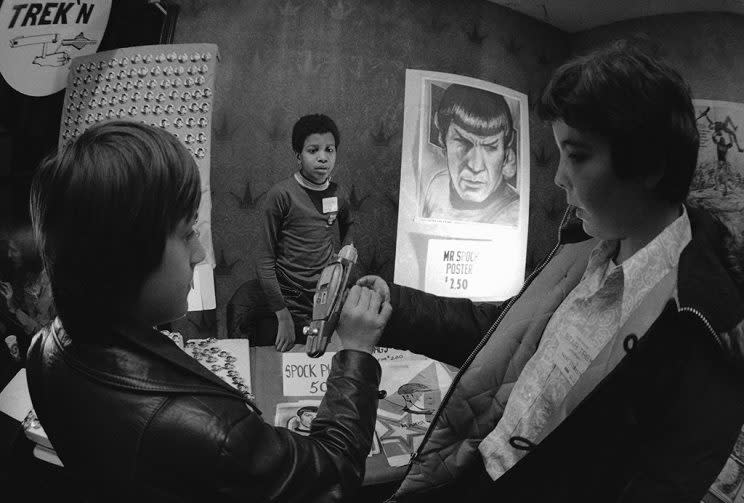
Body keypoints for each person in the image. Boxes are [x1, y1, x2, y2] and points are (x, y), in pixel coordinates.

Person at [361, 42, 744, 502]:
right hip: (478, 471)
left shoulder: (703, 329)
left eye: (577, 155)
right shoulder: (586, 246)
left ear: (650, 164)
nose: (559, 177)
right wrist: (395, 305)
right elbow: (501, 335)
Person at [25, 121, 391, 501]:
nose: (200, 254)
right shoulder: (216, 429)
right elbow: (333, 473)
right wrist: (357, 352)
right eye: (187, 234)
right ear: (127, 254)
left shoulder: (43, 346)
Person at [227, 113, 355, 351]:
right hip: (288, 297)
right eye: (313, 150)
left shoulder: (339, 194)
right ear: (298, 155)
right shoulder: (281, 195)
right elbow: (264, 259)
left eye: (330, 150)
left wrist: (344, 259)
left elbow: (350, 224)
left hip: (325, 298)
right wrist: (282, 315)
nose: (323, 158)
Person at [421, 84, 519, 225]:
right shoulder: (438, 186)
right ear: (443, 141)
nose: (475, 166)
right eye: (463, 142)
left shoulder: (513, 214)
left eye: (490, 147)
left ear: (505, 155)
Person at [0, 225, 55, 359]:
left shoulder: (47, 281)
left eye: (14, 250)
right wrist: (10, 298)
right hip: (23, 330)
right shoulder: (22, 270)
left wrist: (14, 307)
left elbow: (40, 330)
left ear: (28, 255)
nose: (9, 254)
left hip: (42, 346)